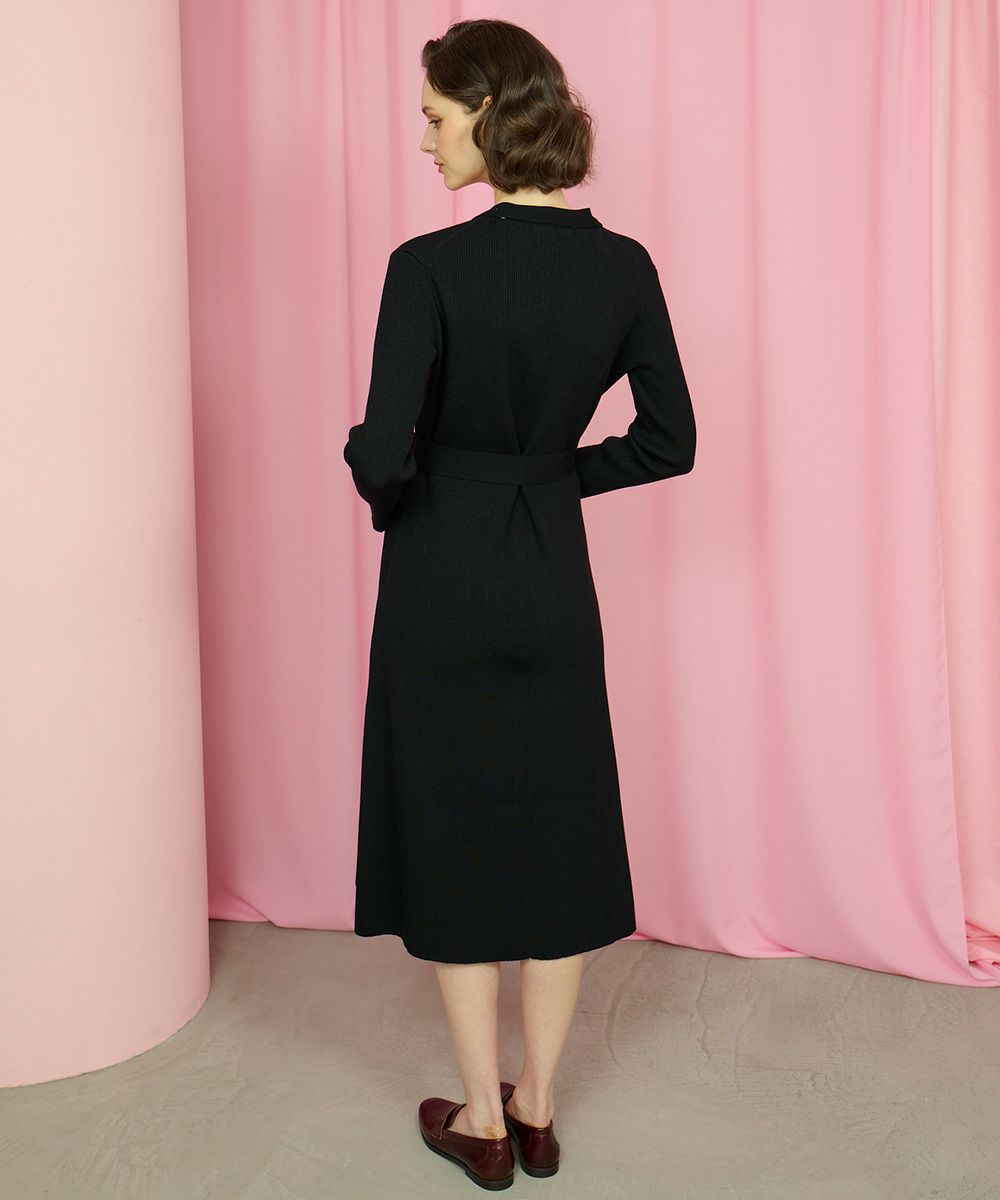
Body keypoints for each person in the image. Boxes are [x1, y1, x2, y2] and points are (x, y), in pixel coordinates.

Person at [344, 17, 696, 1190]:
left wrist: (385, 471)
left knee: (452, 833)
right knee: (556, 832)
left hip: (440, 579)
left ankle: (483, 1121)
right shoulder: (623, 266)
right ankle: (541, 1107)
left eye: (436, 119)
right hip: (551, 575)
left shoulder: (427, 267)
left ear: (489, 117)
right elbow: (668, 442)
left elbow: (384, 452)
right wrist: (548, 478)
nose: (425, 142)